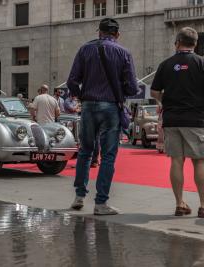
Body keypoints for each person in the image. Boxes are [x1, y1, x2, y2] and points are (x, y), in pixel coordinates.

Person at [67, 18, 139, 215]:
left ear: (99, 32)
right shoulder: (123, 53)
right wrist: (120, 90)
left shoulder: (84, 50)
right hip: (110, 107)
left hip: (89, 105)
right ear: (117, 34)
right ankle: (101, 203)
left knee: (85, 151)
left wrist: (82, 95)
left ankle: (79, 196)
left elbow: (72, 81)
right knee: (108, 155)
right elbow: (132, 87)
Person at [151, 27, 204, 218]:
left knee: (176, 160)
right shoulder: (201, 63)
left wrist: (164, 99)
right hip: (196, 119)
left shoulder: (166, 64)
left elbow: (155, 91)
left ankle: (180, 203)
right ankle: (203, 205)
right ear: (195, 44)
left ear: (177, 42)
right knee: (199, 160)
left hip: (172, 119)